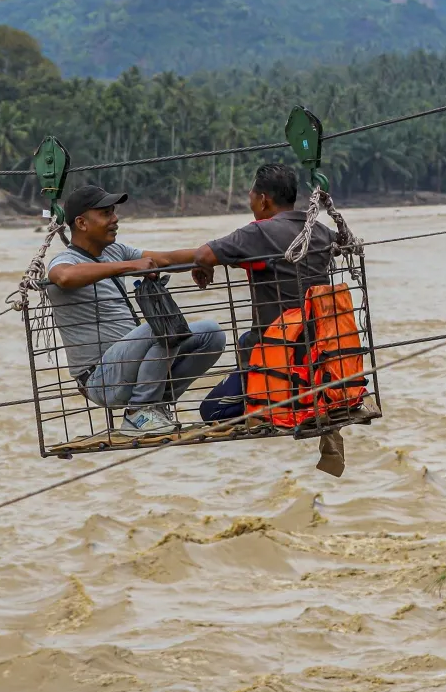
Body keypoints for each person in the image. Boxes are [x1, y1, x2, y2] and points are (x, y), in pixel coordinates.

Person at [127, 163, 343, 474]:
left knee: (211, 409)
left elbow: (203, 254)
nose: (251, 204)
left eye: (252, 198)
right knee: (246, 342)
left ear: (264, 200)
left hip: (278, 357)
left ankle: (270, 407)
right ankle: (297, 404)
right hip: (319, 353)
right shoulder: (319, 231)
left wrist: (204, 265)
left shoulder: (259, 232)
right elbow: (337, 244)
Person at [43, 183, 226, 436]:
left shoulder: (115, 251)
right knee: (162, 324)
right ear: (82, 223)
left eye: (114, 212)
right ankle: (137, 412)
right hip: (101, 378)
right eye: (106, 213)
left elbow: (168, 259)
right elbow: (62, 277)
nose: (115, 219)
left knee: (212, 333)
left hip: (135, 366)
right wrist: (128, 267)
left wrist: (212, 255)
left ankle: (156, 405)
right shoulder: (67, 260)